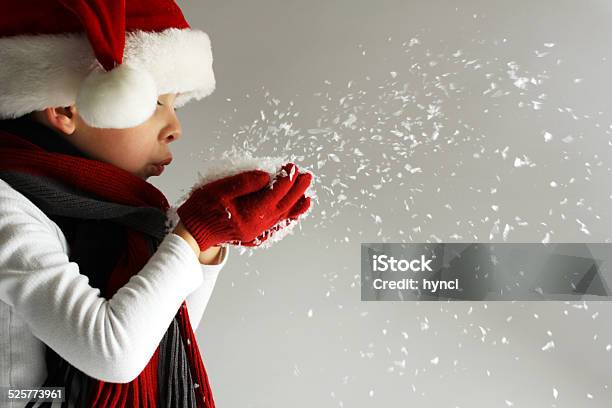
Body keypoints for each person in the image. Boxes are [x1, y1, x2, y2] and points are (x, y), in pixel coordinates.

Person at [0, 1, 313, 407]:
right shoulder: (9, 207)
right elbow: (113, 353)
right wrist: (193, 233)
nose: (175, 129)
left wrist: (208, 243)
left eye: (175, 104)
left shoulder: (121, 210)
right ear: (65, 109)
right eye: (154, 104)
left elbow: (157, 336)